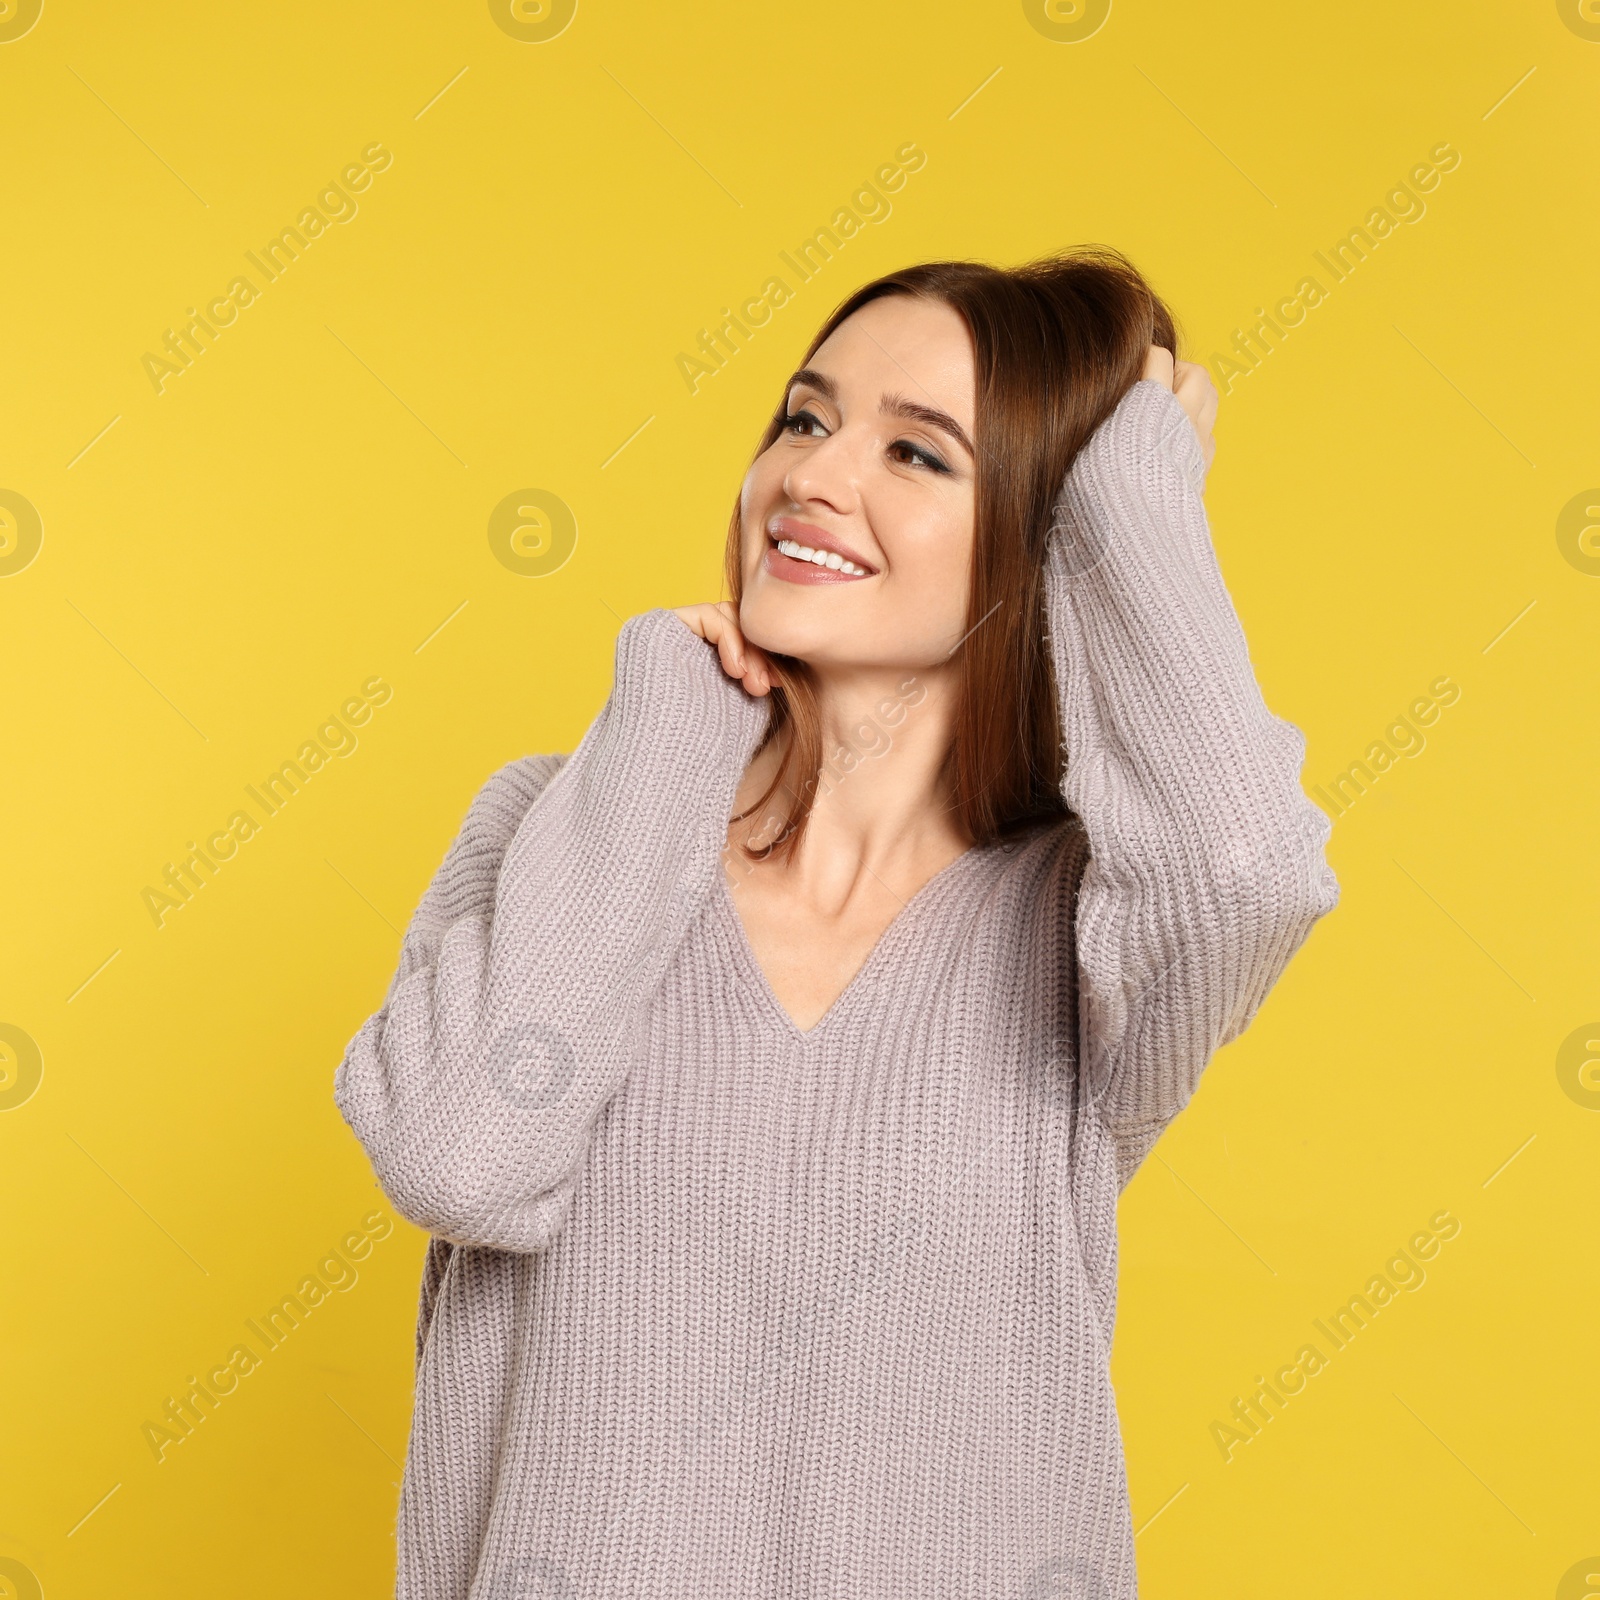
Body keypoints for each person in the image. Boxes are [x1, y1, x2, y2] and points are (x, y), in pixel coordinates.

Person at [335, 248, 1339, 1600]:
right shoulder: (557, 827)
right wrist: (672, 730)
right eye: (805, 419)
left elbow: (1247, 871)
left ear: (1044, 532)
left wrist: (1133, 503)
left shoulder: (1090, 932)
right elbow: (460, 1159)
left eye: (919, 456)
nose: (811, 475)